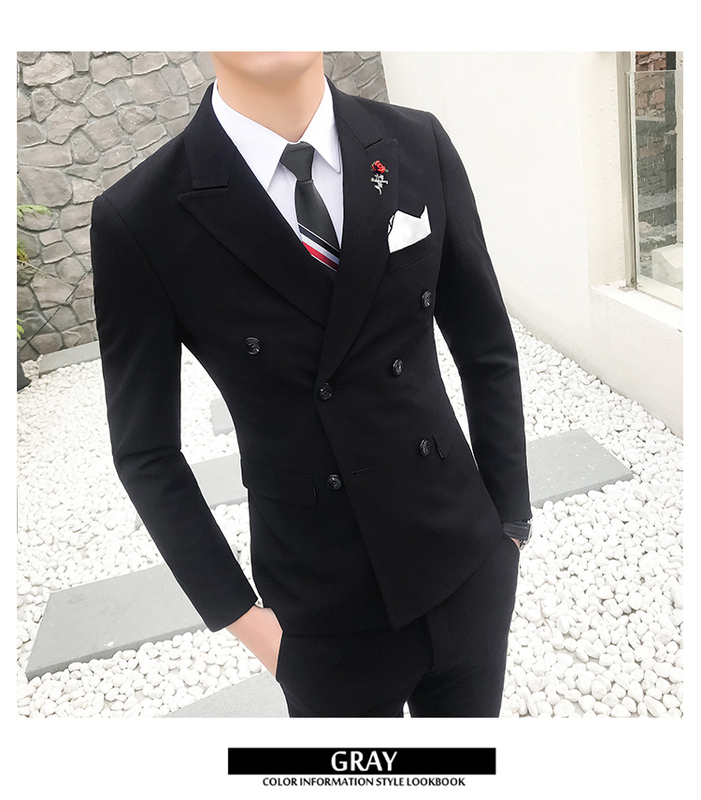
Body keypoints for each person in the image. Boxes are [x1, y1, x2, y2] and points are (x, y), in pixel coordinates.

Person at [90, 51, 532, 717]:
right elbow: (145, 452)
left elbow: (485, 345)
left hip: (467, 564)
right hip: (320, 618)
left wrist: (510, 523)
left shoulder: (417, 143)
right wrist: (251, 627)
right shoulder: (141, 215)